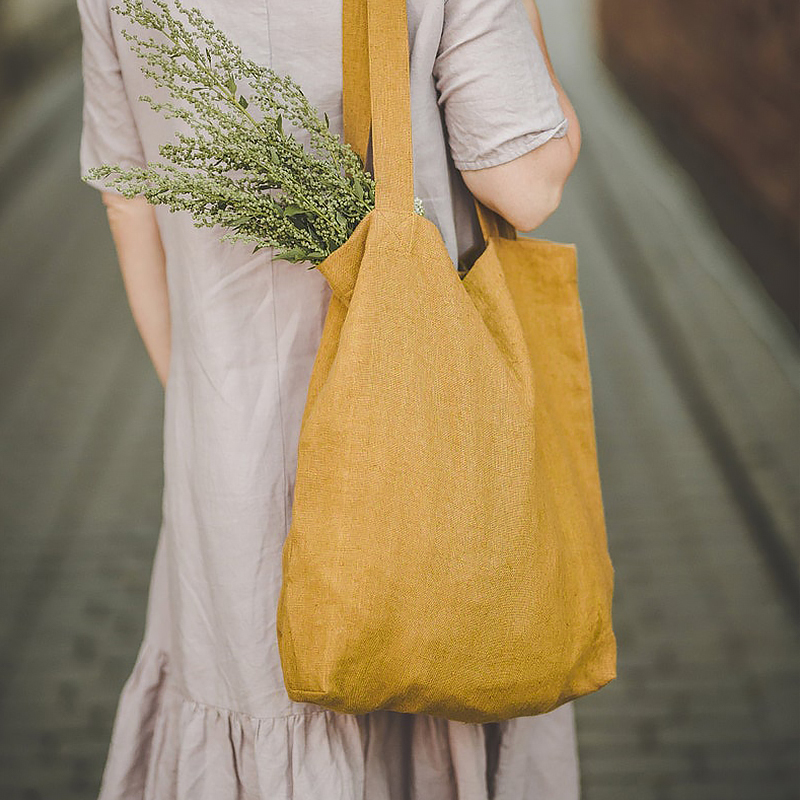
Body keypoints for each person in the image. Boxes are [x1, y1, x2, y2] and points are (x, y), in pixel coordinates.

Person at [77, 0, 583, 797]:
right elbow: (528, 183)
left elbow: (126, 199)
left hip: (228, 470)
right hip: (432, 440)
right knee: (450, 664)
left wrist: (212, 404)